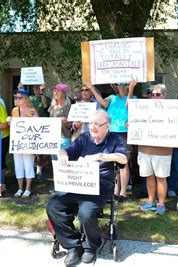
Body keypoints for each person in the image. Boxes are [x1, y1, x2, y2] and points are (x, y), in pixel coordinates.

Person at [46, 110, 127, 266]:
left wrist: (101, 156)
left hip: (101, 184)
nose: (92, 127)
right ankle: (73, 246)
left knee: (86, 213)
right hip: (78, 182)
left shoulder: (114, 140)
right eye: (91, 124)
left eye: (97, 124)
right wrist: (62, 154)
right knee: (53, 206)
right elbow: (66, 151)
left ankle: (90, 247)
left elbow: (123, 158)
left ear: (107, 126)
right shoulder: (84, 138)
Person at [89, 80, 137, 203]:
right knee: (112, 162)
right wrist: (91, 87)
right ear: (115, 86)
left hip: (124, 134)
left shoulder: (133, 97)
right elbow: (102, 104)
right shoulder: (111, 98)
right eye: (119, 83)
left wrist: (131, 88)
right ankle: (115, 191)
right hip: (110, 133)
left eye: (124, 84)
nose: (121, 86)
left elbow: (128, 104)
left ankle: (123, 193)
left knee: (123, 163)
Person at [137, 84, 173, 215]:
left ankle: (161, 204)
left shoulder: (172, 110)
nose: (154, 97)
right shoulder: (142, 109)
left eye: (158, 94)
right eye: (152, 94)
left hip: (163, 151)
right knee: (149, 177)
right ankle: (151, 202)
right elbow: (135, 121)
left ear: (164, 96)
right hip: (145, 149)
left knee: (161, 177)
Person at [7, 89, 39, 198]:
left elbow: (38, 125)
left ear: (25, 99)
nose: (17, 100)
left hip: (28, 142)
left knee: (28, 164)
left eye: (19, 97)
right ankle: (20, 188)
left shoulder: (31, 111)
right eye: (16, 97)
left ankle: (28, 188)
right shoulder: (14, 111)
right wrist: (10, 121)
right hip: (17, 142)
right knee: (18, 165)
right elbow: (13, 127)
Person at [48, 83, 73, 153]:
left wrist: (66, 121)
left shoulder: (69, 107)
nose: (55, 93)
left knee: (64, 162)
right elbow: (49, 123)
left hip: (65, 138)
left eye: (58, 91)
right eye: (54, 91)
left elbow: (71, 125)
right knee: (54, 162)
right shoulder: (52, 107)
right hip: (53, 139)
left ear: (64, 93)